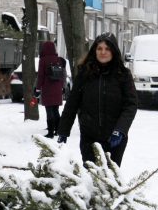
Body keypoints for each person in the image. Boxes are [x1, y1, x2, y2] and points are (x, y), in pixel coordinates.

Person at [57, 33, 137, 167]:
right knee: (90, 175)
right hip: (89, 137)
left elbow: (131, 105)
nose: (103, 52)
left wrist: (120, 130)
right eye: (99, 48)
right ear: (94, 51)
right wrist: (63, 131)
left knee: (110, 179)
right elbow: (72, 103)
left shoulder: (123, 75)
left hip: (114, 138)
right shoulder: (85, 73)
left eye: (107, 49)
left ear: (114, 51)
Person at [35, 40, 67, 138]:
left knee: (49, 111)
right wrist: (62, 87)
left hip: (47, 88)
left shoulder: (43, 60)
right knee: (56, 110)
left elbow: (40, 76)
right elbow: (62, 75)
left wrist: (37, 88)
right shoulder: (59, 59)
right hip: (57, 89)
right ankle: (57, 130)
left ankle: (50, 132)